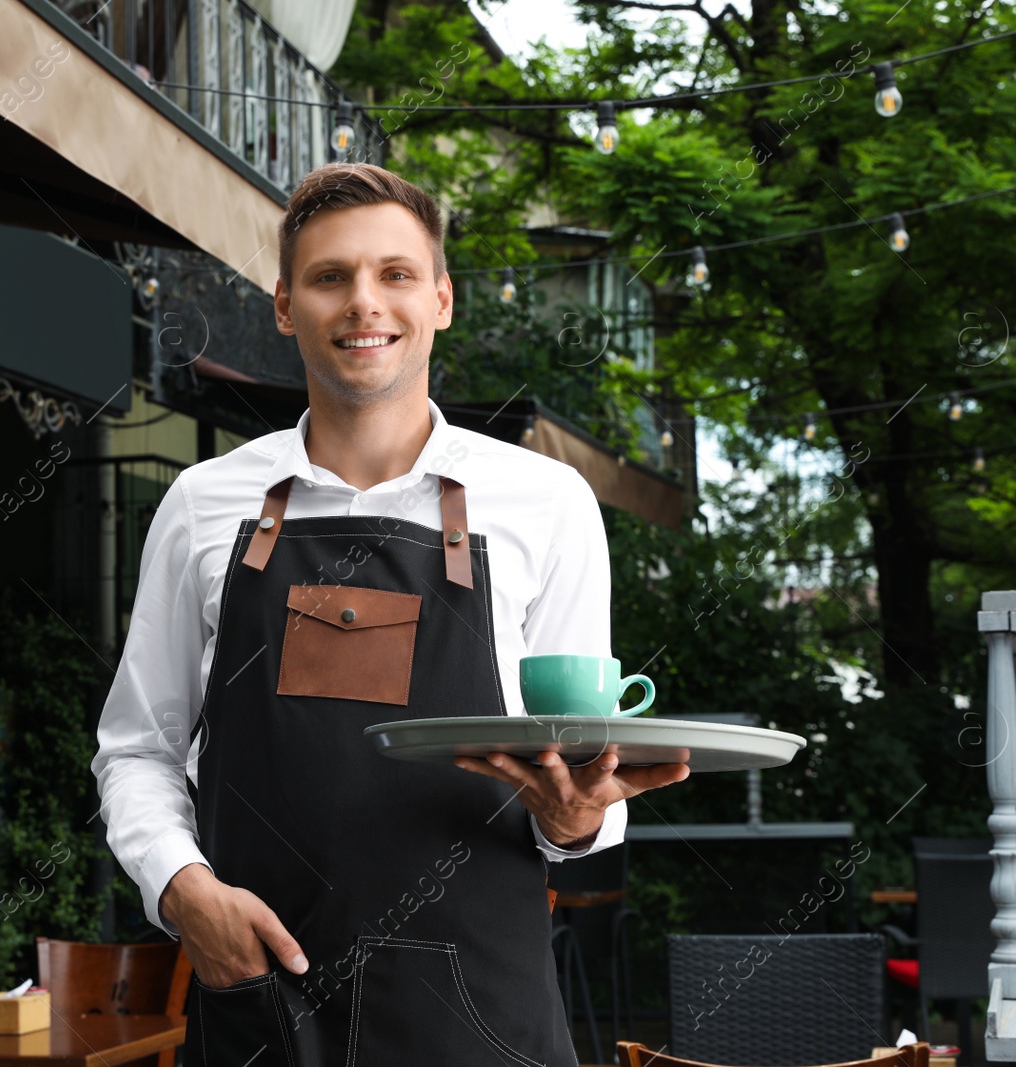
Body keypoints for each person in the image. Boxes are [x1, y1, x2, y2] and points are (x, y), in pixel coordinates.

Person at [92, 161, 689, 1066]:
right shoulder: (204, 503)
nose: (363, 303)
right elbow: (138, 747)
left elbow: (583, 773)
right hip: (262, 1001)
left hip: (481, 1017)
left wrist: (578, 822)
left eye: (395, 274)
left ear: (442, 300)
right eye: (331, 277)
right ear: (287, 305)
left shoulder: (546, 501)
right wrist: (183, 892)